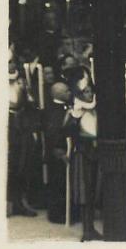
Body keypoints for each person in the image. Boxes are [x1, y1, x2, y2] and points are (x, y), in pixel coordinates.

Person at [64, 69, 102, 241]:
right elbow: (67, 131)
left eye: (90, 91)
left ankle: (91, 227)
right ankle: (87, 229)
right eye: (85, 91)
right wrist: (74, 116)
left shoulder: (97, 109)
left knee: (94, 190)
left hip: (96, 152)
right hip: (83, 153)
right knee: (85, 191)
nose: (89, 94)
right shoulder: (76, 111)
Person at [7, 73, 38, 218]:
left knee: (21, 166)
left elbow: (27, 105)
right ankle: (8, 204)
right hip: (7, 127)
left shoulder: (22, 85)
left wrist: (24, 90)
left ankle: (20, 202)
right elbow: (14, 104)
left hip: (21, 130)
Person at [43, 82, 73, 224]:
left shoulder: (66, 107)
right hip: (57, 151)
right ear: (58, 93)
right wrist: (57, 149)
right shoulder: (52, 109)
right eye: (66, 91)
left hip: (65, 149)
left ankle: (66, 211)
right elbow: (52, 131)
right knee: (57, 183)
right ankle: (56, 214)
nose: (69, 93)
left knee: (64, 182)